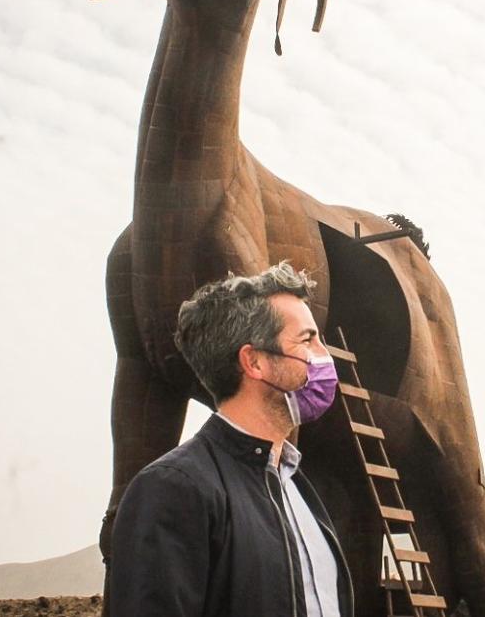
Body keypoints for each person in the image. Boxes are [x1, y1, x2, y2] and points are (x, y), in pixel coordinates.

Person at [109, 262, 352, 617]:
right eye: (307, 340)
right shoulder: (172, 490)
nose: (323, 356)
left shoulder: (295, 484)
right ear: (254, 362)